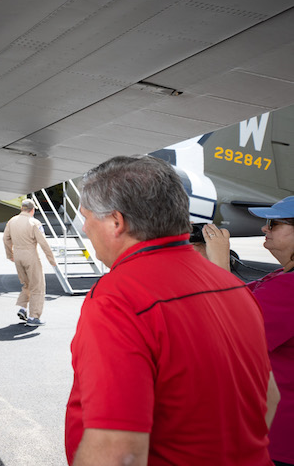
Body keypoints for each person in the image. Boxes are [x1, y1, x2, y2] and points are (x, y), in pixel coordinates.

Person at [65, 155, 278, 465]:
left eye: (86, 216)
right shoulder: (234, 287)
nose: (84, 228)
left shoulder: (119, 298)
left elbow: (118, 452)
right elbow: (268, 399)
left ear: (115, 222)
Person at [245, 197, 294, 466]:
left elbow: (229, 332)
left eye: (273, 223)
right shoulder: (280, 277)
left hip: (280, 440)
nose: (265, 229)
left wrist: (217, 264)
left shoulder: (288, 287)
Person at [3, 198, 57, 326]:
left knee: (26, 284)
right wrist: (51, 259)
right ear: (32, 210)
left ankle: (23, 308)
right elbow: (43, 242)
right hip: (30, 256)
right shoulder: (34, 223)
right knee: (38, 286)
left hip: (18, 256)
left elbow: (5, 239)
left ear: (22, 208)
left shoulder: (12, 221)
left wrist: (10, 255)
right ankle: (34, 317)